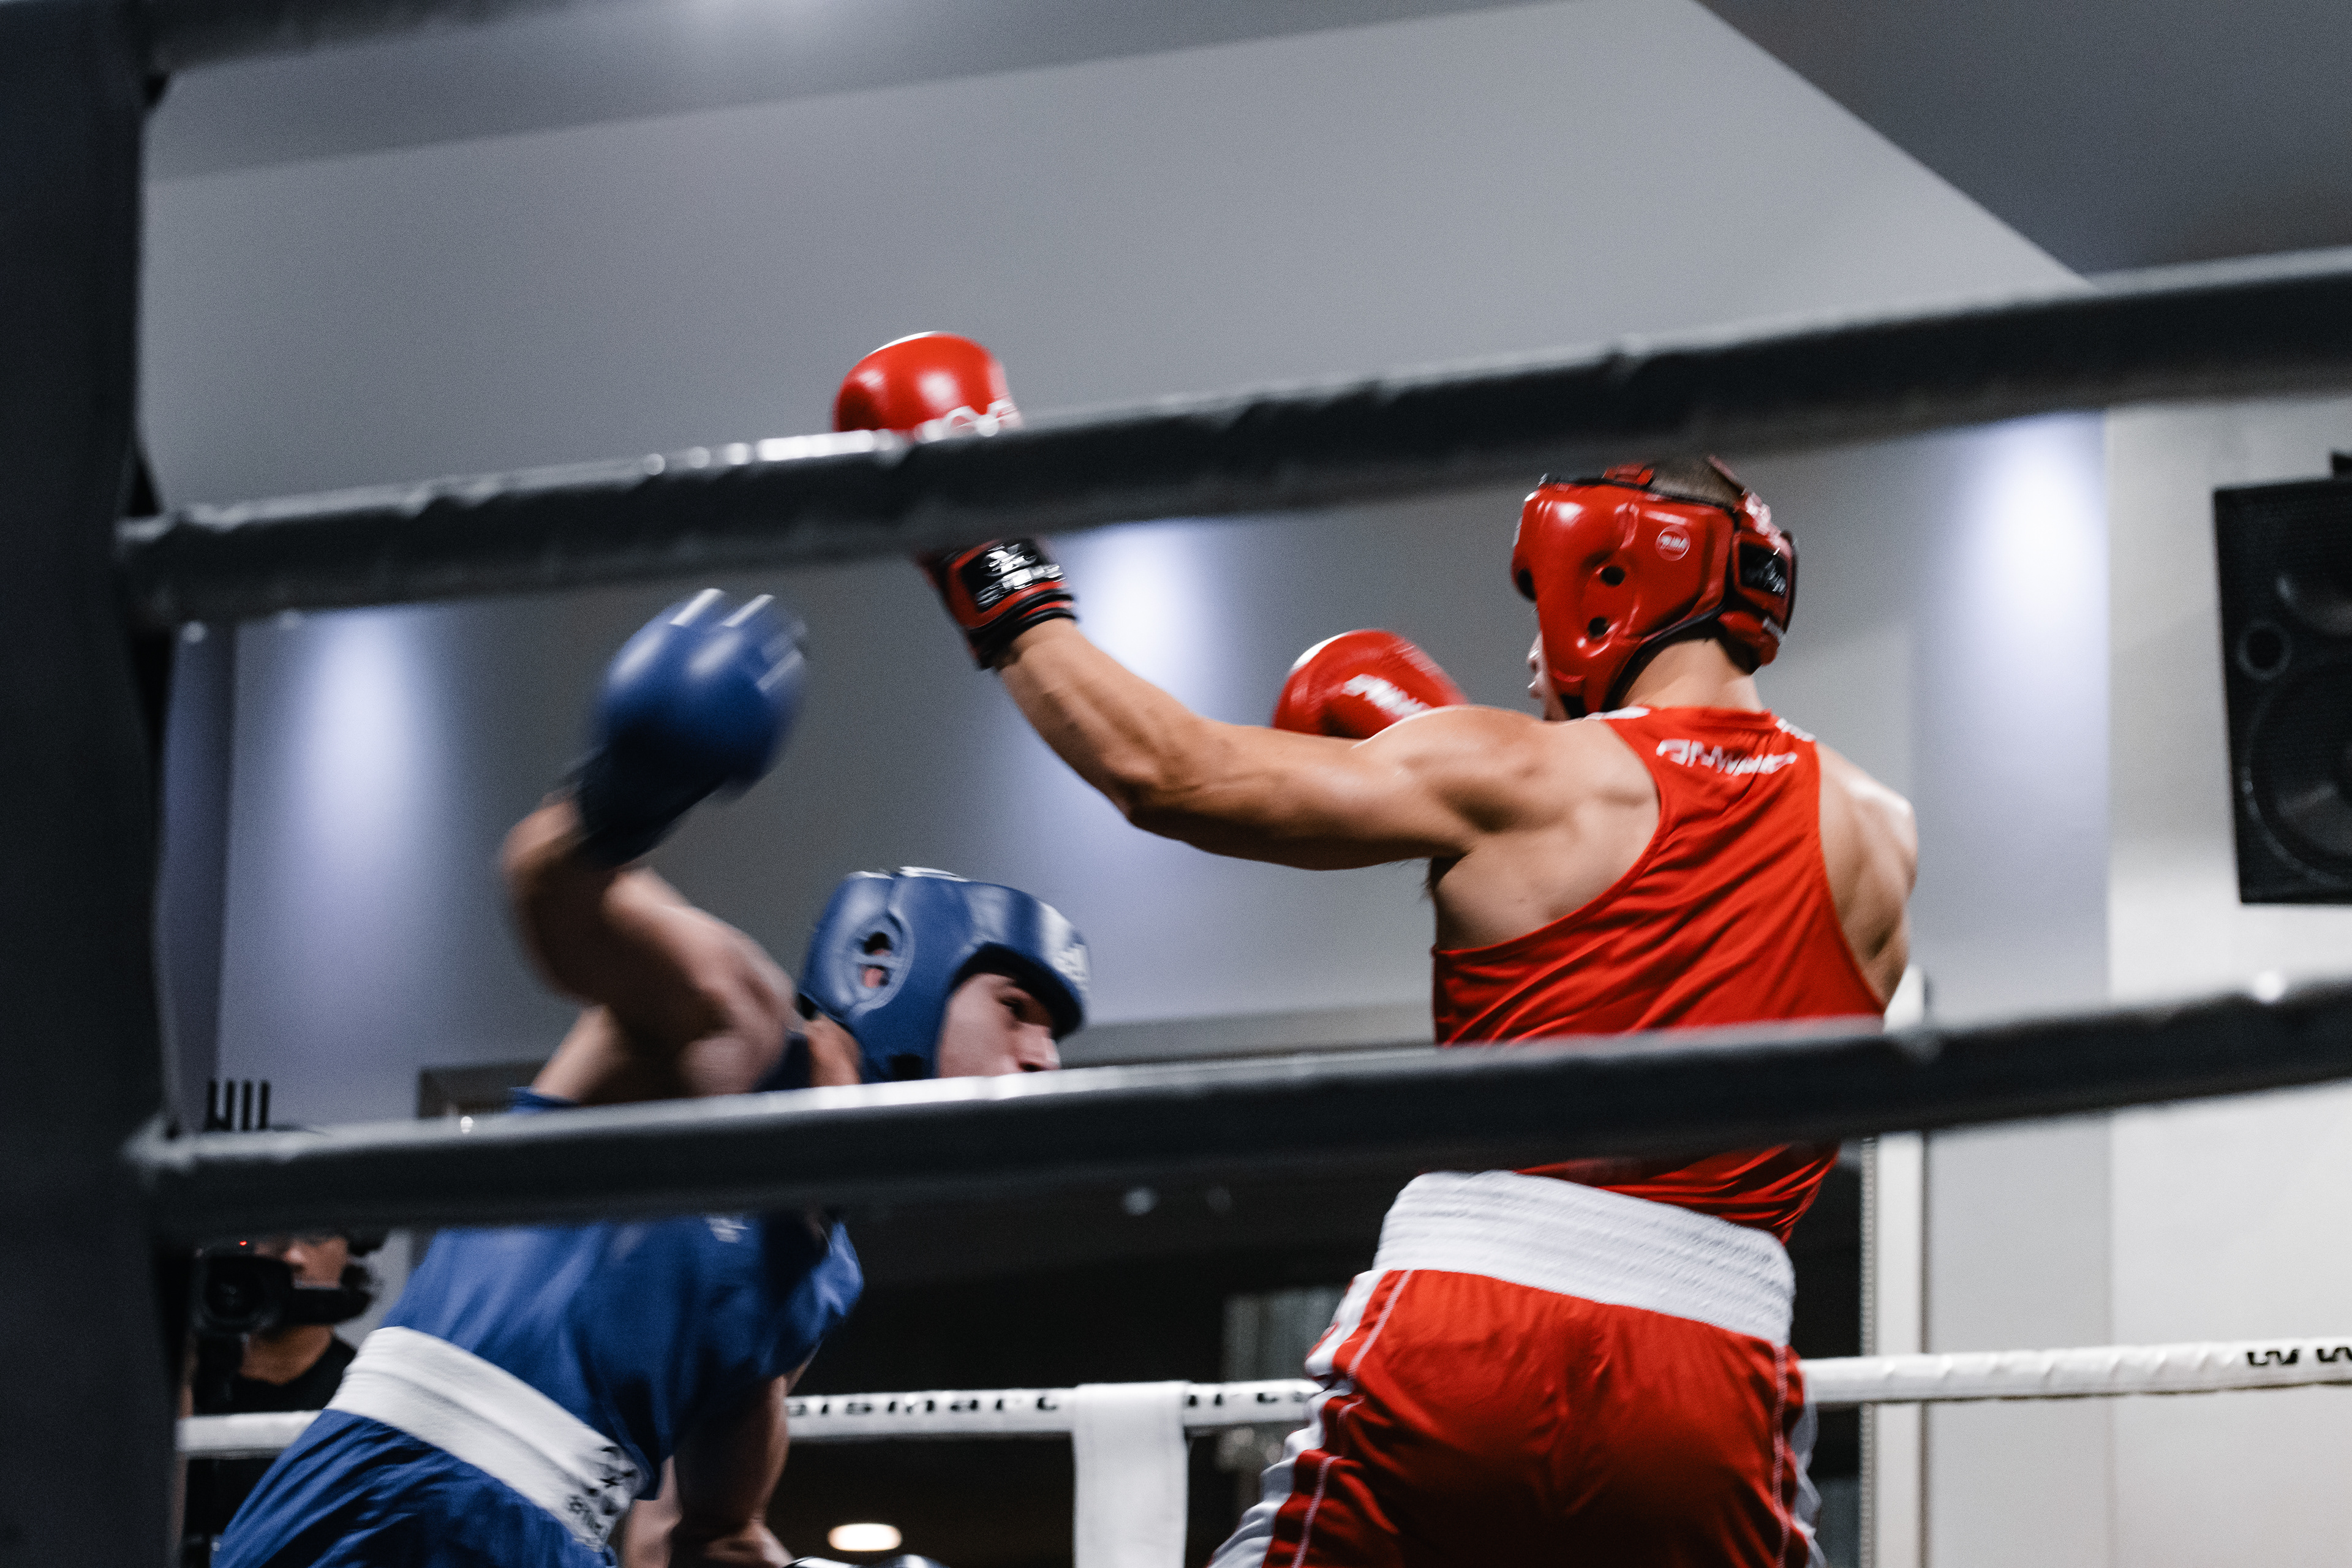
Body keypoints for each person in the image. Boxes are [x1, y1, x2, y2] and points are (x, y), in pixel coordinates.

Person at [870, 326, 1910, 1568]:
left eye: (1537, 605)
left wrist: (983, 544)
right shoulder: (1877, 835)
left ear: (1606, 578)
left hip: (1472, 1337)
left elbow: (1165, 772)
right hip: (1713, 1373)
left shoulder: (1511, 775)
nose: (1532, 656)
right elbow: (1687, 943)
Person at [217, 589, 1087, 1568]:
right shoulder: (733, 1026)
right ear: (890, 969)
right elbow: (559, 891)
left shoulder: (815, 1282)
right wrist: (625, 791)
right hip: (396, 1487)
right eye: (1018, 1009)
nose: (1043, 1058)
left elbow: (708, 1532)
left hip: (559, 1545)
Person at [182, 1230, 381, 1563]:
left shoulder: (365, 1401)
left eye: (316, 1235)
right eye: (274, 1232)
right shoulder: (190, 1380)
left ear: (351, 1249)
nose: (293, 1256)